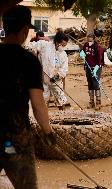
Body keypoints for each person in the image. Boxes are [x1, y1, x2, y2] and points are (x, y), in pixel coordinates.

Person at [0, 5, 56, 189]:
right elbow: (38, 104)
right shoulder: (28, 60)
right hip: (14, 138)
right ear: (25, 30)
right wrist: (48, 132)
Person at [29, 30, 69, 110]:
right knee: (44, 98)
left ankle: (63, 113)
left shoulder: (63, 54)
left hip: (55, 80)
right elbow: (30, 46)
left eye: (64, 45)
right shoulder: (45, 45)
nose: (62, 47)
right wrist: (33, 51)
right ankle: (45, 116)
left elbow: (64, 69)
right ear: (57, 42)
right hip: (43, 78)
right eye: (62, 44)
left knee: (61, 97)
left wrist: (57, 76)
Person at [80, 33, 104, 110]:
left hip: (96, 67)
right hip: (88, 67)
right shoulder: (86, 45)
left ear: (94, 39)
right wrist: (82, 54)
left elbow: (99, 61)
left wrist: (95, 69)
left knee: (96, 84)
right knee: (90, 84)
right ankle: (91, 102)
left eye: (91, 40)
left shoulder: (98, 48)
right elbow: (83, 52)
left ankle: (98, 102)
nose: (89, 41)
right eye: (88, 39)